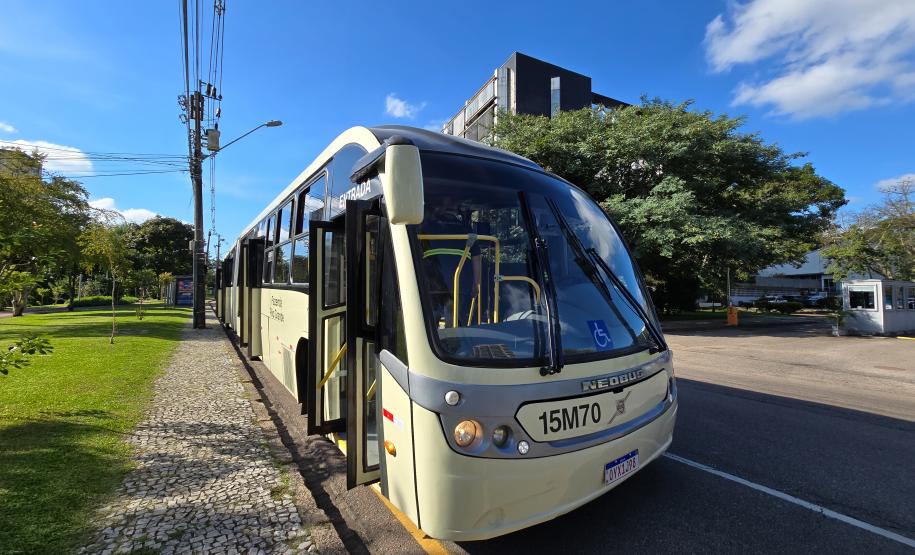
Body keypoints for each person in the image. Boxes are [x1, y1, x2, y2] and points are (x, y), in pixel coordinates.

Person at [419, 196, 482, 327]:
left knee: (429, 321)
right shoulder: (466, 229)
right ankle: (452, 338)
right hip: (458, 284)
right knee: (453, 320)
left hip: (432, 283)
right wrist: (476, 284)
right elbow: (476, 258)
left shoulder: (425, 228)